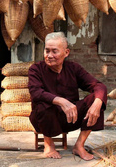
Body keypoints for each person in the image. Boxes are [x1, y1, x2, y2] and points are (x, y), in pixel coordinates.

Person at [28, 32, 107, 160]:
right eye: (47, 51)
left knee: (97, 99)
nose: (49, 56)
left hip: (72, 117)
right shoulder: (36, 69)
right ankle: (49, 144)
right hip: (47, 119)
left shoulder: (74, 68)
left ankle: (79, 145)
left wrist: (97, 103)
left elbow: (99, 85)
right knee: (41, 105)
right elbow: (35, 92)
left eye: (54, 51)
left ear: (66, 52)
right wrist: (61, 101)